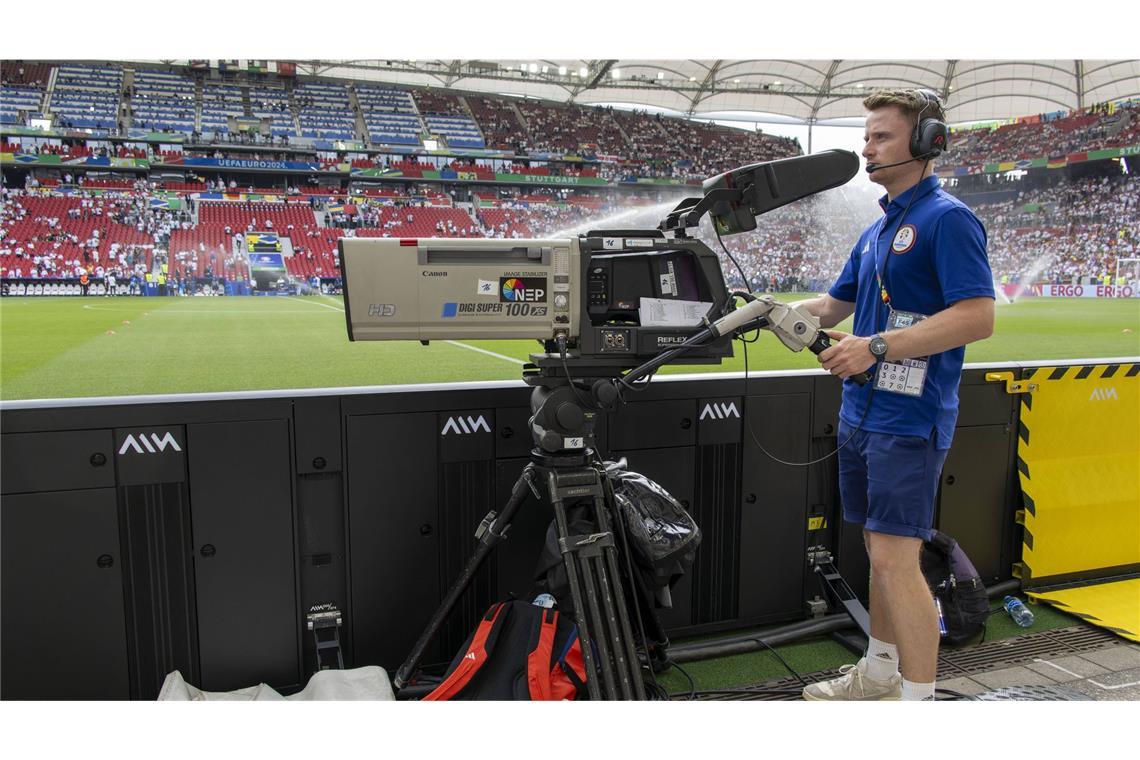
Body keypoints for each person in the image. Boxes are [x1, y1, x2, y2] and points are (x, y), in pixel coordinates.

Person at [794, 89, 995, 701]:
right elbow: (832, 305)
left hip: (911, 418)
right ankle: (879, 674)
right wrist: (774, 315)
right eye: (868, 135)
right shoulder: (878, 227)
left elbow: (978, 316)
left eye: (880, 136)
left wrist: (875, 345)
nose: (867, 146)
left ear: (927, 140)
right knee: (879, 552)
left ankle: (918, 701)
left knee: (894, 559)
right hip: (861, 413)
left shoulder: (948, 219)